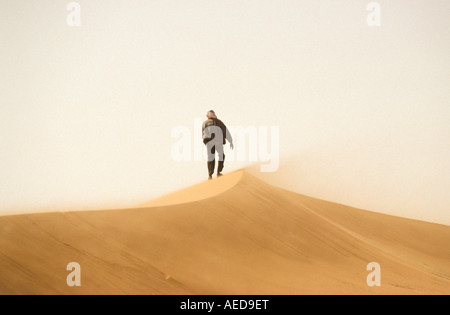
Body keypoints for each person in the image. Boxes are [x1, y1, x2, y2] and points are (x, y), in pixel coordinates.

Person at [202, 110, 234, 180]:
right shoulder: (218, 122)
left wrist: (206, 143)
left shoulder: (205, 123)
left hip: (209, 144)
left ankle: (210, 175)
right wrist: (230, 141)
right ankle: (218, 172)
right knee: (221, 156)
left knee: (211, 158)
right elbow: (225, 131)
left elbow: (203, 134)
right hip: (218, 143)